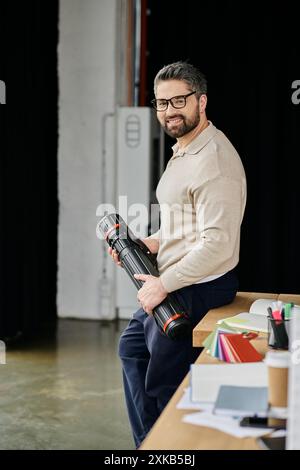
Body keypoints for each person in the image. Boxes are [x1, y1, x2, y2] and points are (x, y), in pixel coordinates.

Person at [108, 61, 247, 448]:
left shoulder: (213, 161)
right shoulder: (186, 149)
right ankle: (151, 447)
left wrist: (163, 284)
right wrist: (153, 243)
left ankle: (173, 450)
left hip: (199, 284)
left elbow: (217, 244)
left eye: (179, 101)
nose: (169, 111)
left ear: (201, 101)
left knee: (164, 383)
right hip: (176, 277)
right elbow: (188, 224)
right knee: (133, 351)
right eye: (161, 102)